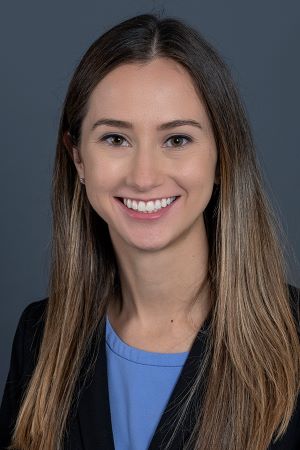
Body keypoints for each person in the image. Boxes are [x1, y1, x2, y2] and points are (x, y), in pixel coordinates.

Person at [0, 12, 299, 450]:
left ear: (223, 156)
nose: (144, 177)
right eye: (115, 139)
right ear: (78, 159)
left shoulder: (296, 341)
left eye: (176, 140)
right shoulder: (39, 339)